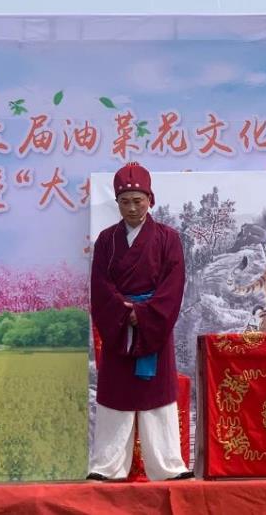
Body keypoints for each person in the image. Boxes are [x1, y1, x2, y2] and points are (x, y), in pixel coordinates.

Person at [87, 162, 192, 482]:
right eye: (125, 202)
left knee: (157, 399)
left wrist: (144, 315)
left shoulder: (168, 238)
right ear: (116, 203)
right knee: (115, 398)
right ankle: (107, 466)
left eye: (138, 200)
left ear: (151, 199)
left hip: (152, 329)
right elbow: (100, 286)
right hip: (119, 328)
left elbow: (174, 284)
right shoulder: (107, 240)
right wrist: (123, 313)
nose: (132, 208)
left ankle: (167, 466)